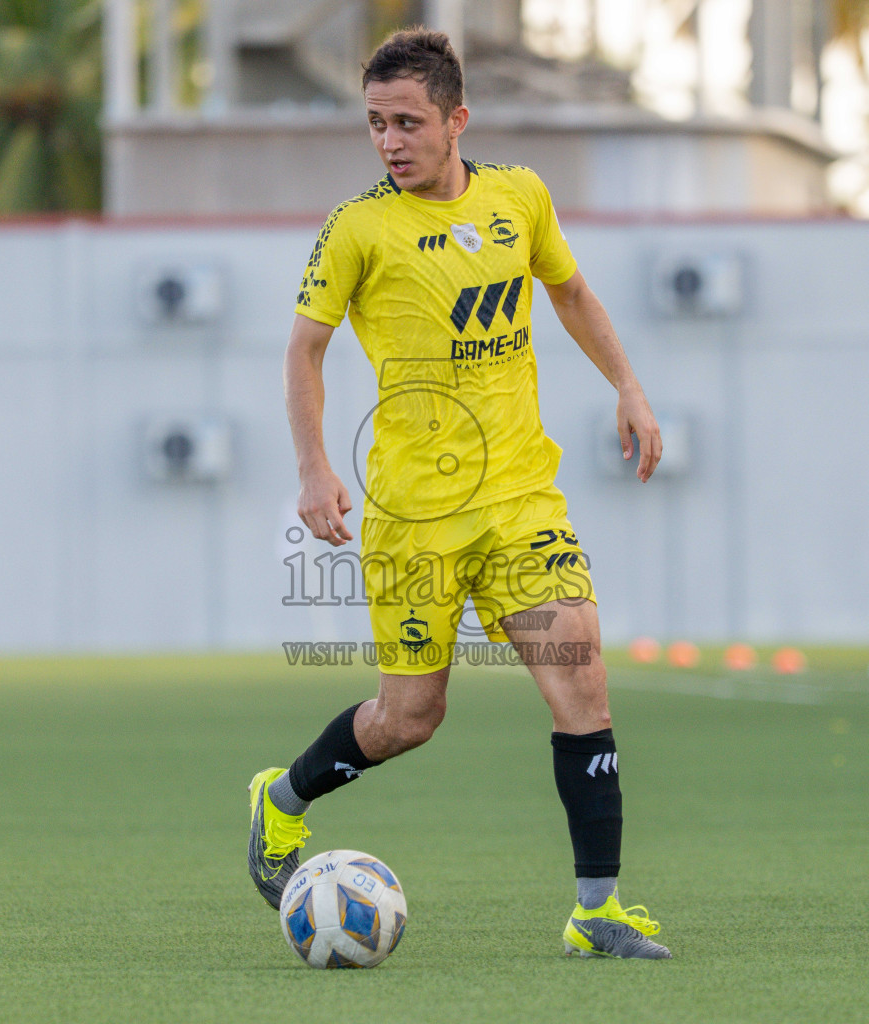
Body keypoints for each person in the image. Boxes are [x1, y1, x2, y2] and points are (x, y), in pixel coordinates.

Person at [249, 28, 670, 959]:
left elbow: (569, 292)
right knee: (411, 719)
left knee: (584, 677)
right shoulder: (357, 228)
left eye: (407, 122)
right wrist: (315, 468)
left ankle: (595, 910)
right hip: (415, 517)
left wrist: (627, 386)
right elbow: (304, 348)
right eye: (375, 124)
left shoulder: (521, 197)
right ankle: (282, 800)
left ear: (457, 121)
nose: (390, 141)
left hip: (521, 500)